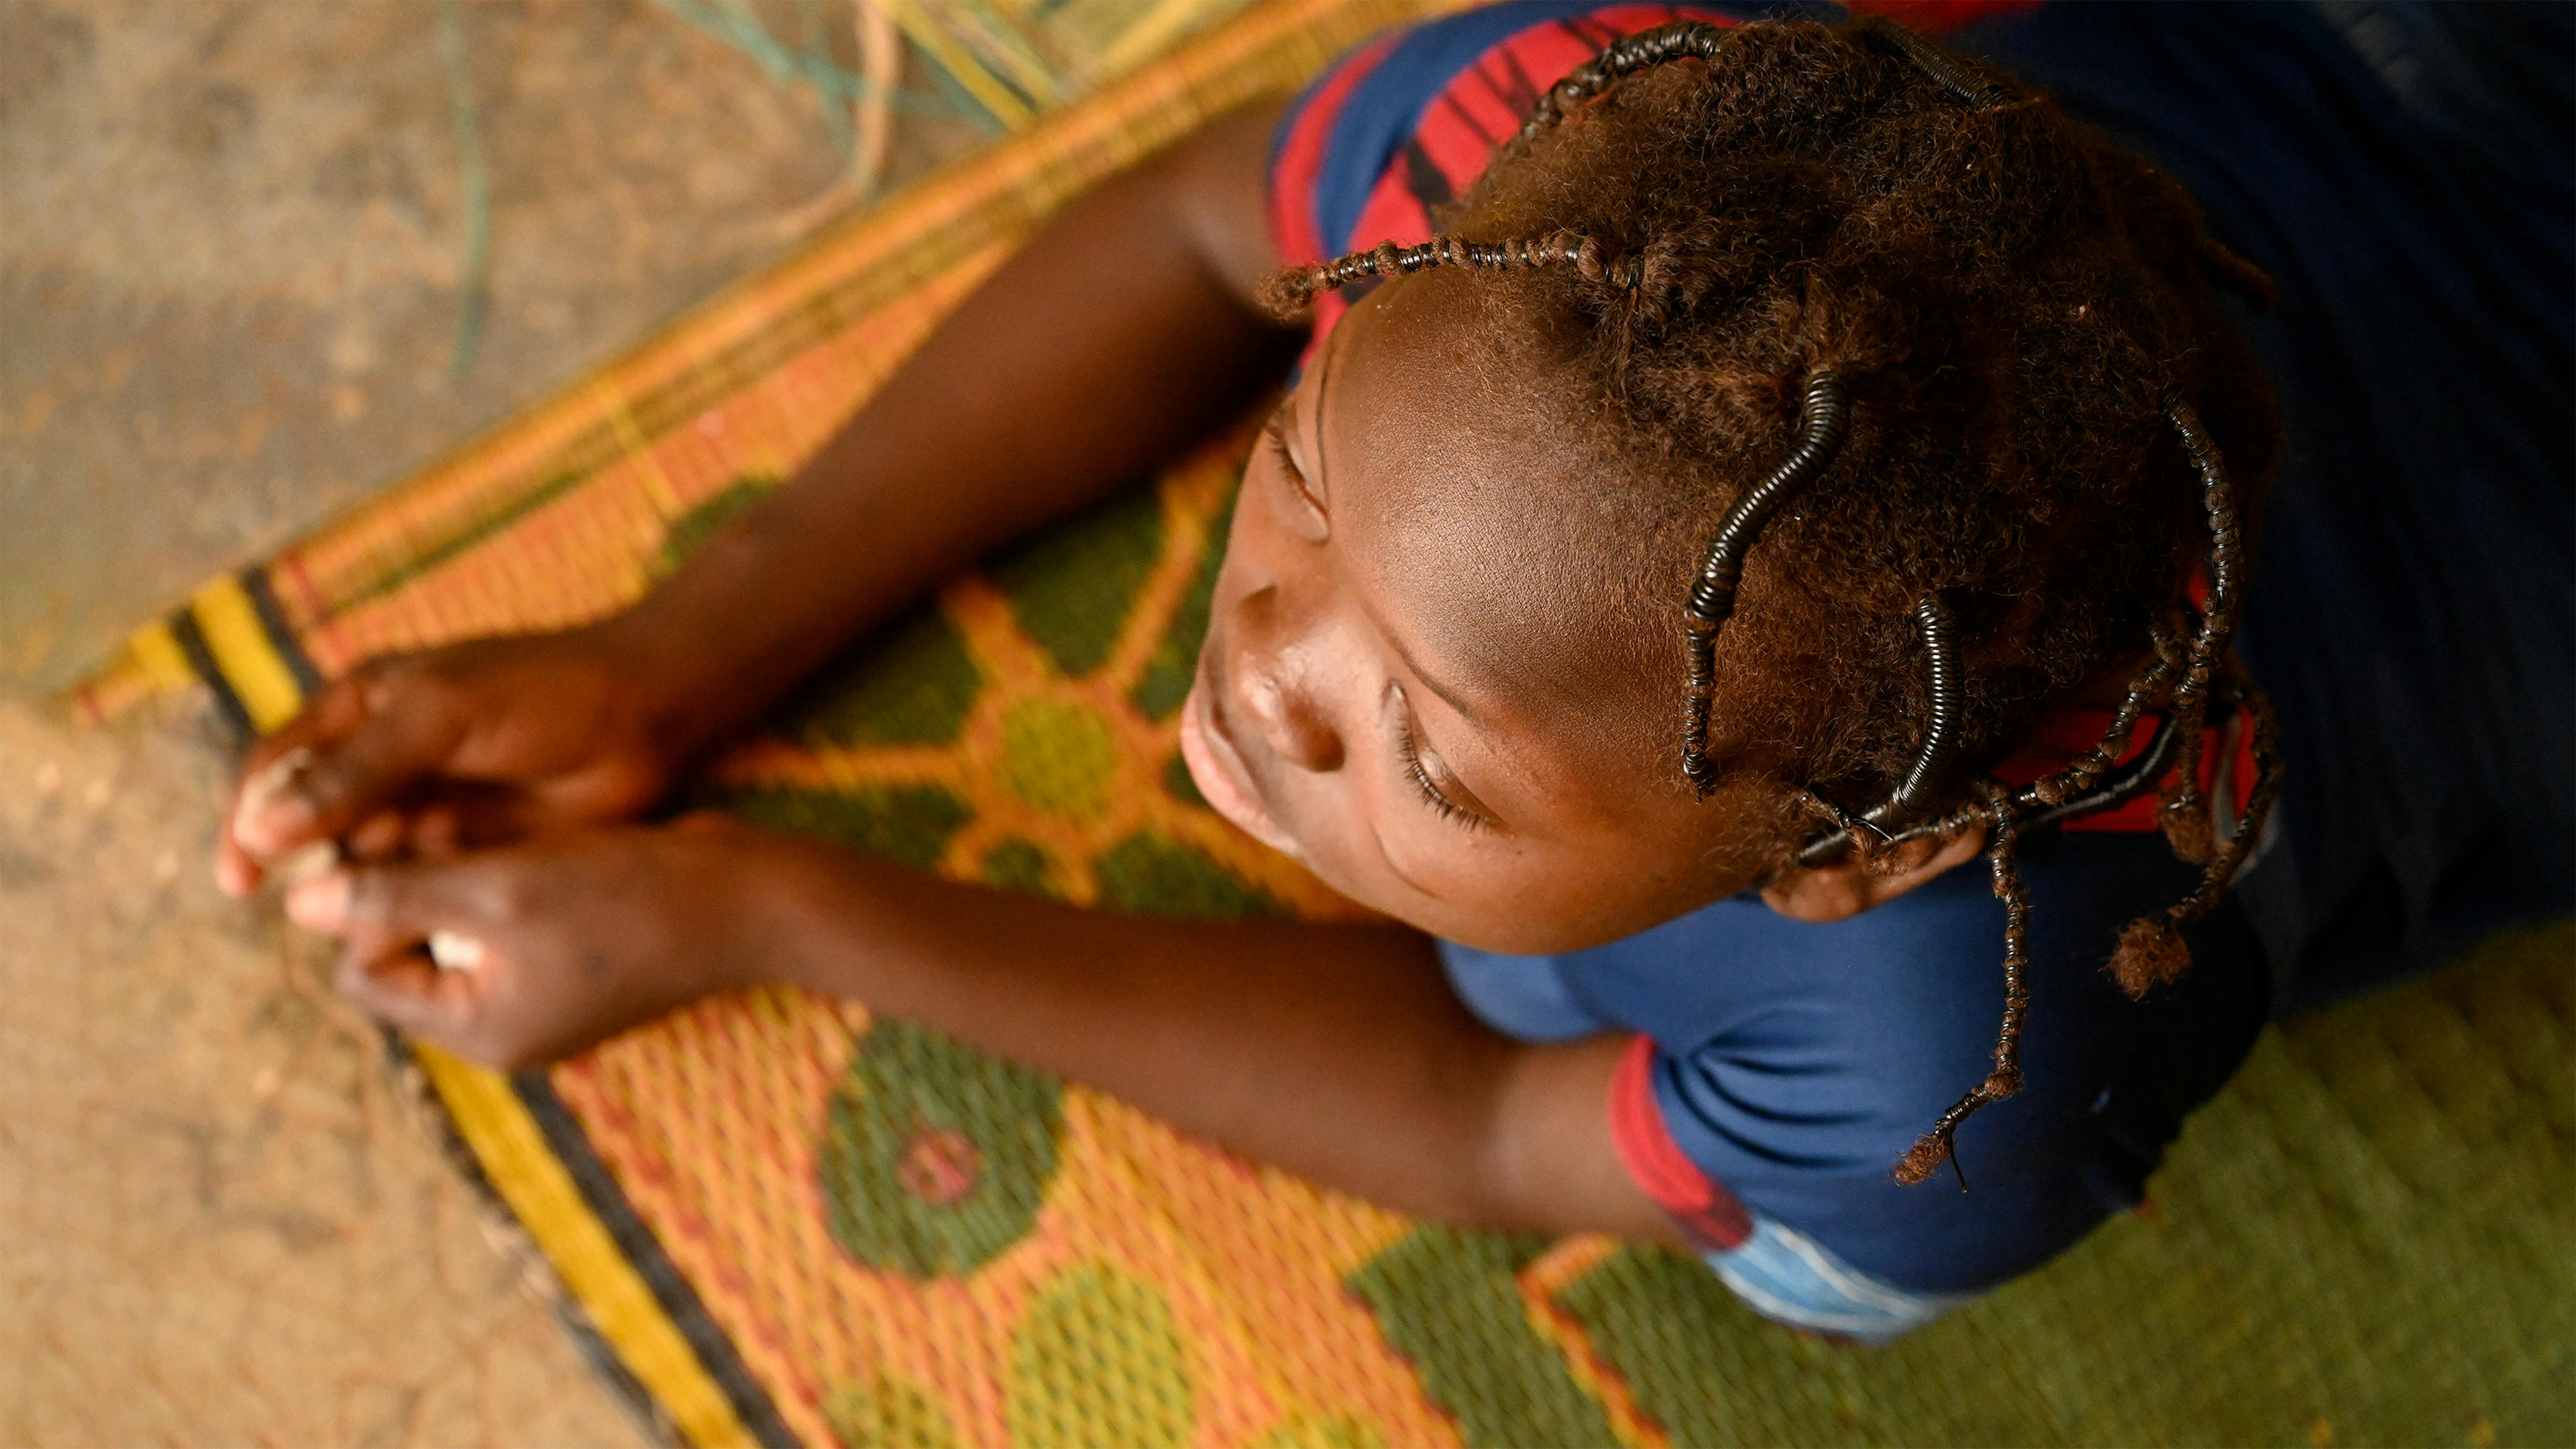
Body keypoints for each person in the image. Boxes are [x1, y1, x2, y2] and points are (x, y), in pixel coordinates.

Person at [214, 2, 2572, 1341]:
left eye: (1428, 754)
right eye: (1306, 467)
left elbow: (1479, 1117)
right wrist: (667, 654)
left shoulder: (1968, 1067)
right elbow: (1179, 228)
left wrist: (783, 912)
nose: (1260, 679)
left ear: (1844, 865)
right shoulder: (1548, 171)